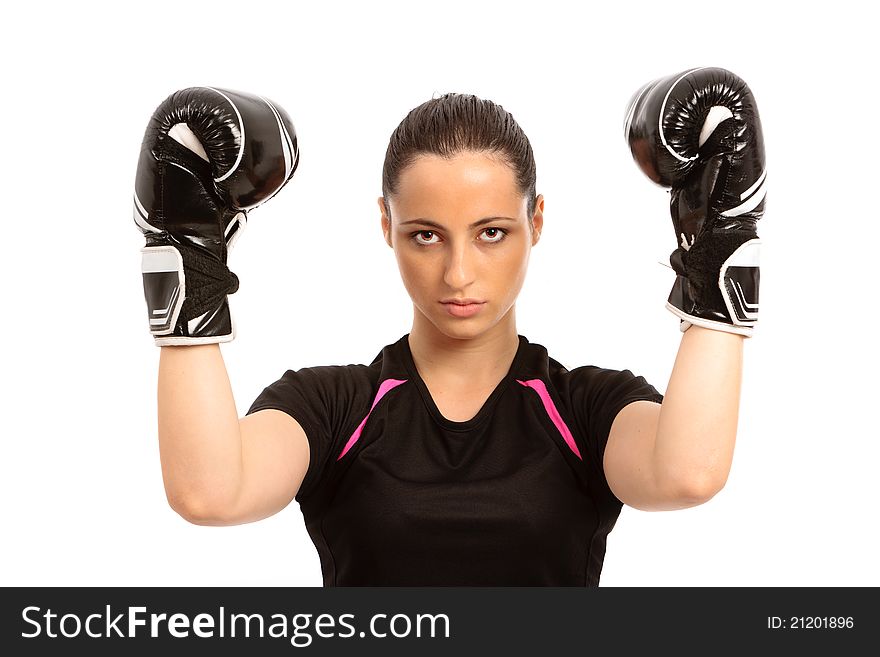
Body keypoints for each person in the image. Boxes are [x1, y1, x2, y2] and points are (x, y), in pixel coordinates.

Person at [135, 68, 764, 586]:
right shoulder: (332, 405)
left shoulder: (584, 408)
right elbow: (209, 493)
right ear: (387, 225)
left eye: (492, 233)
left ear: (535, 222)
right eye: (425, 235)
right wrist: (186, 252)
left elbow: (688, 473)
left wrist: (722, 241)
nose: (458, 273)